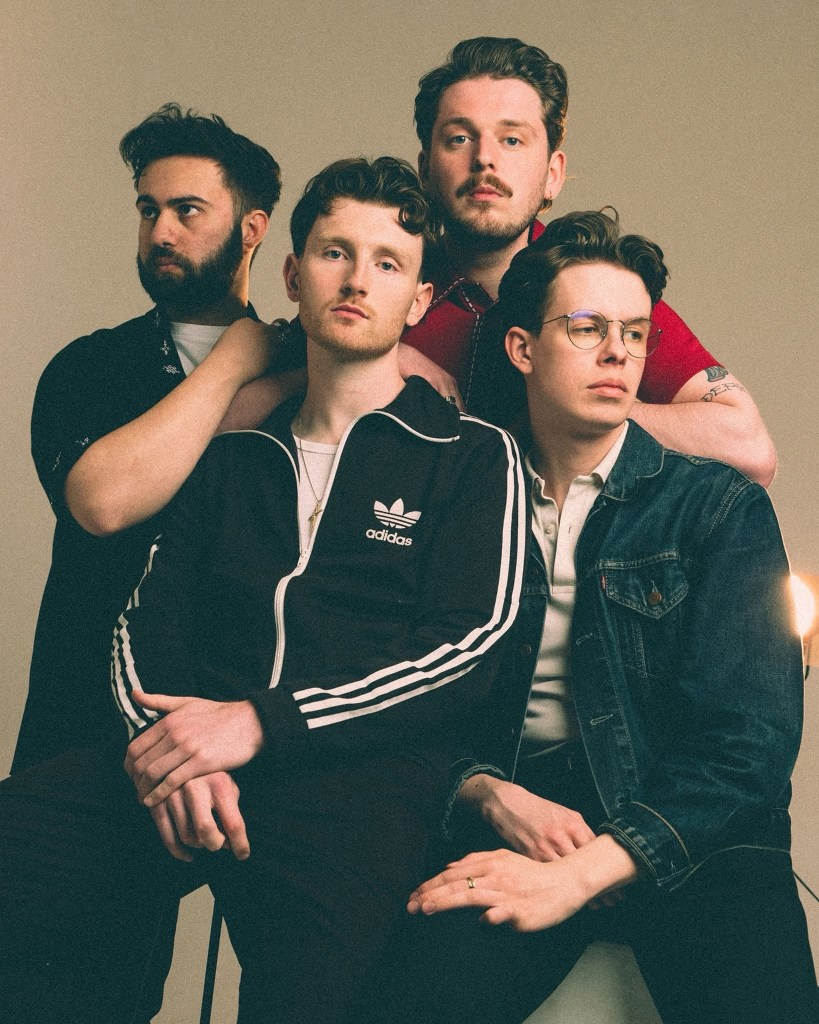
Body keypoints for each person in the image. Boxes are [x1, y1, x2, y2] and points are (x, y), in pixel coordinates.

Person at [0, 156, 526, 1024]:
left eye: (387, 263)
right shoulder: (235, 450)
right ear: (290, 274)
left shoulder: (471, 454)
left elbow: (466, 648)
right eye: (333, 253)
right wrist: (169, 752)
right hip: (189, 761)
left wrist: (259, 723)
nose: (356, 280)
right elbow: (144, 618)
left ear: (418, 300)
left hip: (353, 788)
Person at [350, 211, 817, 1024]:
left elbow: (748, 745)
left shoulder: (715, 507)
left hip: (694, 832)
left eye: (633, 334)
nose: (618, 354)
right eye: (587, 328)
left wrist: (583, 872)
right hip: (520, 816)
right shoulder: (460, 501)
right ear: (521, 348)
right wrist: (482, 794)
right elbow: (401, 699)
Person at [13, 103, 295, 775]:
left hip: (243, 740)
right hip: (85, 736)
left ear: (252, 228)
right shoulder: (88, 367)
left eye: (187, 211)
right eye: (148, 211)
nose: (160, 232)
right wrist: (236, 358)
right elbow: (101, 503)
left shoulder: (303, 377)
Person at [399, 37, 777, 485]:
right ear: (425, 169)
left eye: (512, 139)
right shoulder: (381, 277)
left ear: (552, 175)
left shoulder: (602, 285)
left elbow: (751, 450)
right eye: (459, 138)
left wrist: (588, 407)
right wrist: (385, 358)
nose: (484, 159)